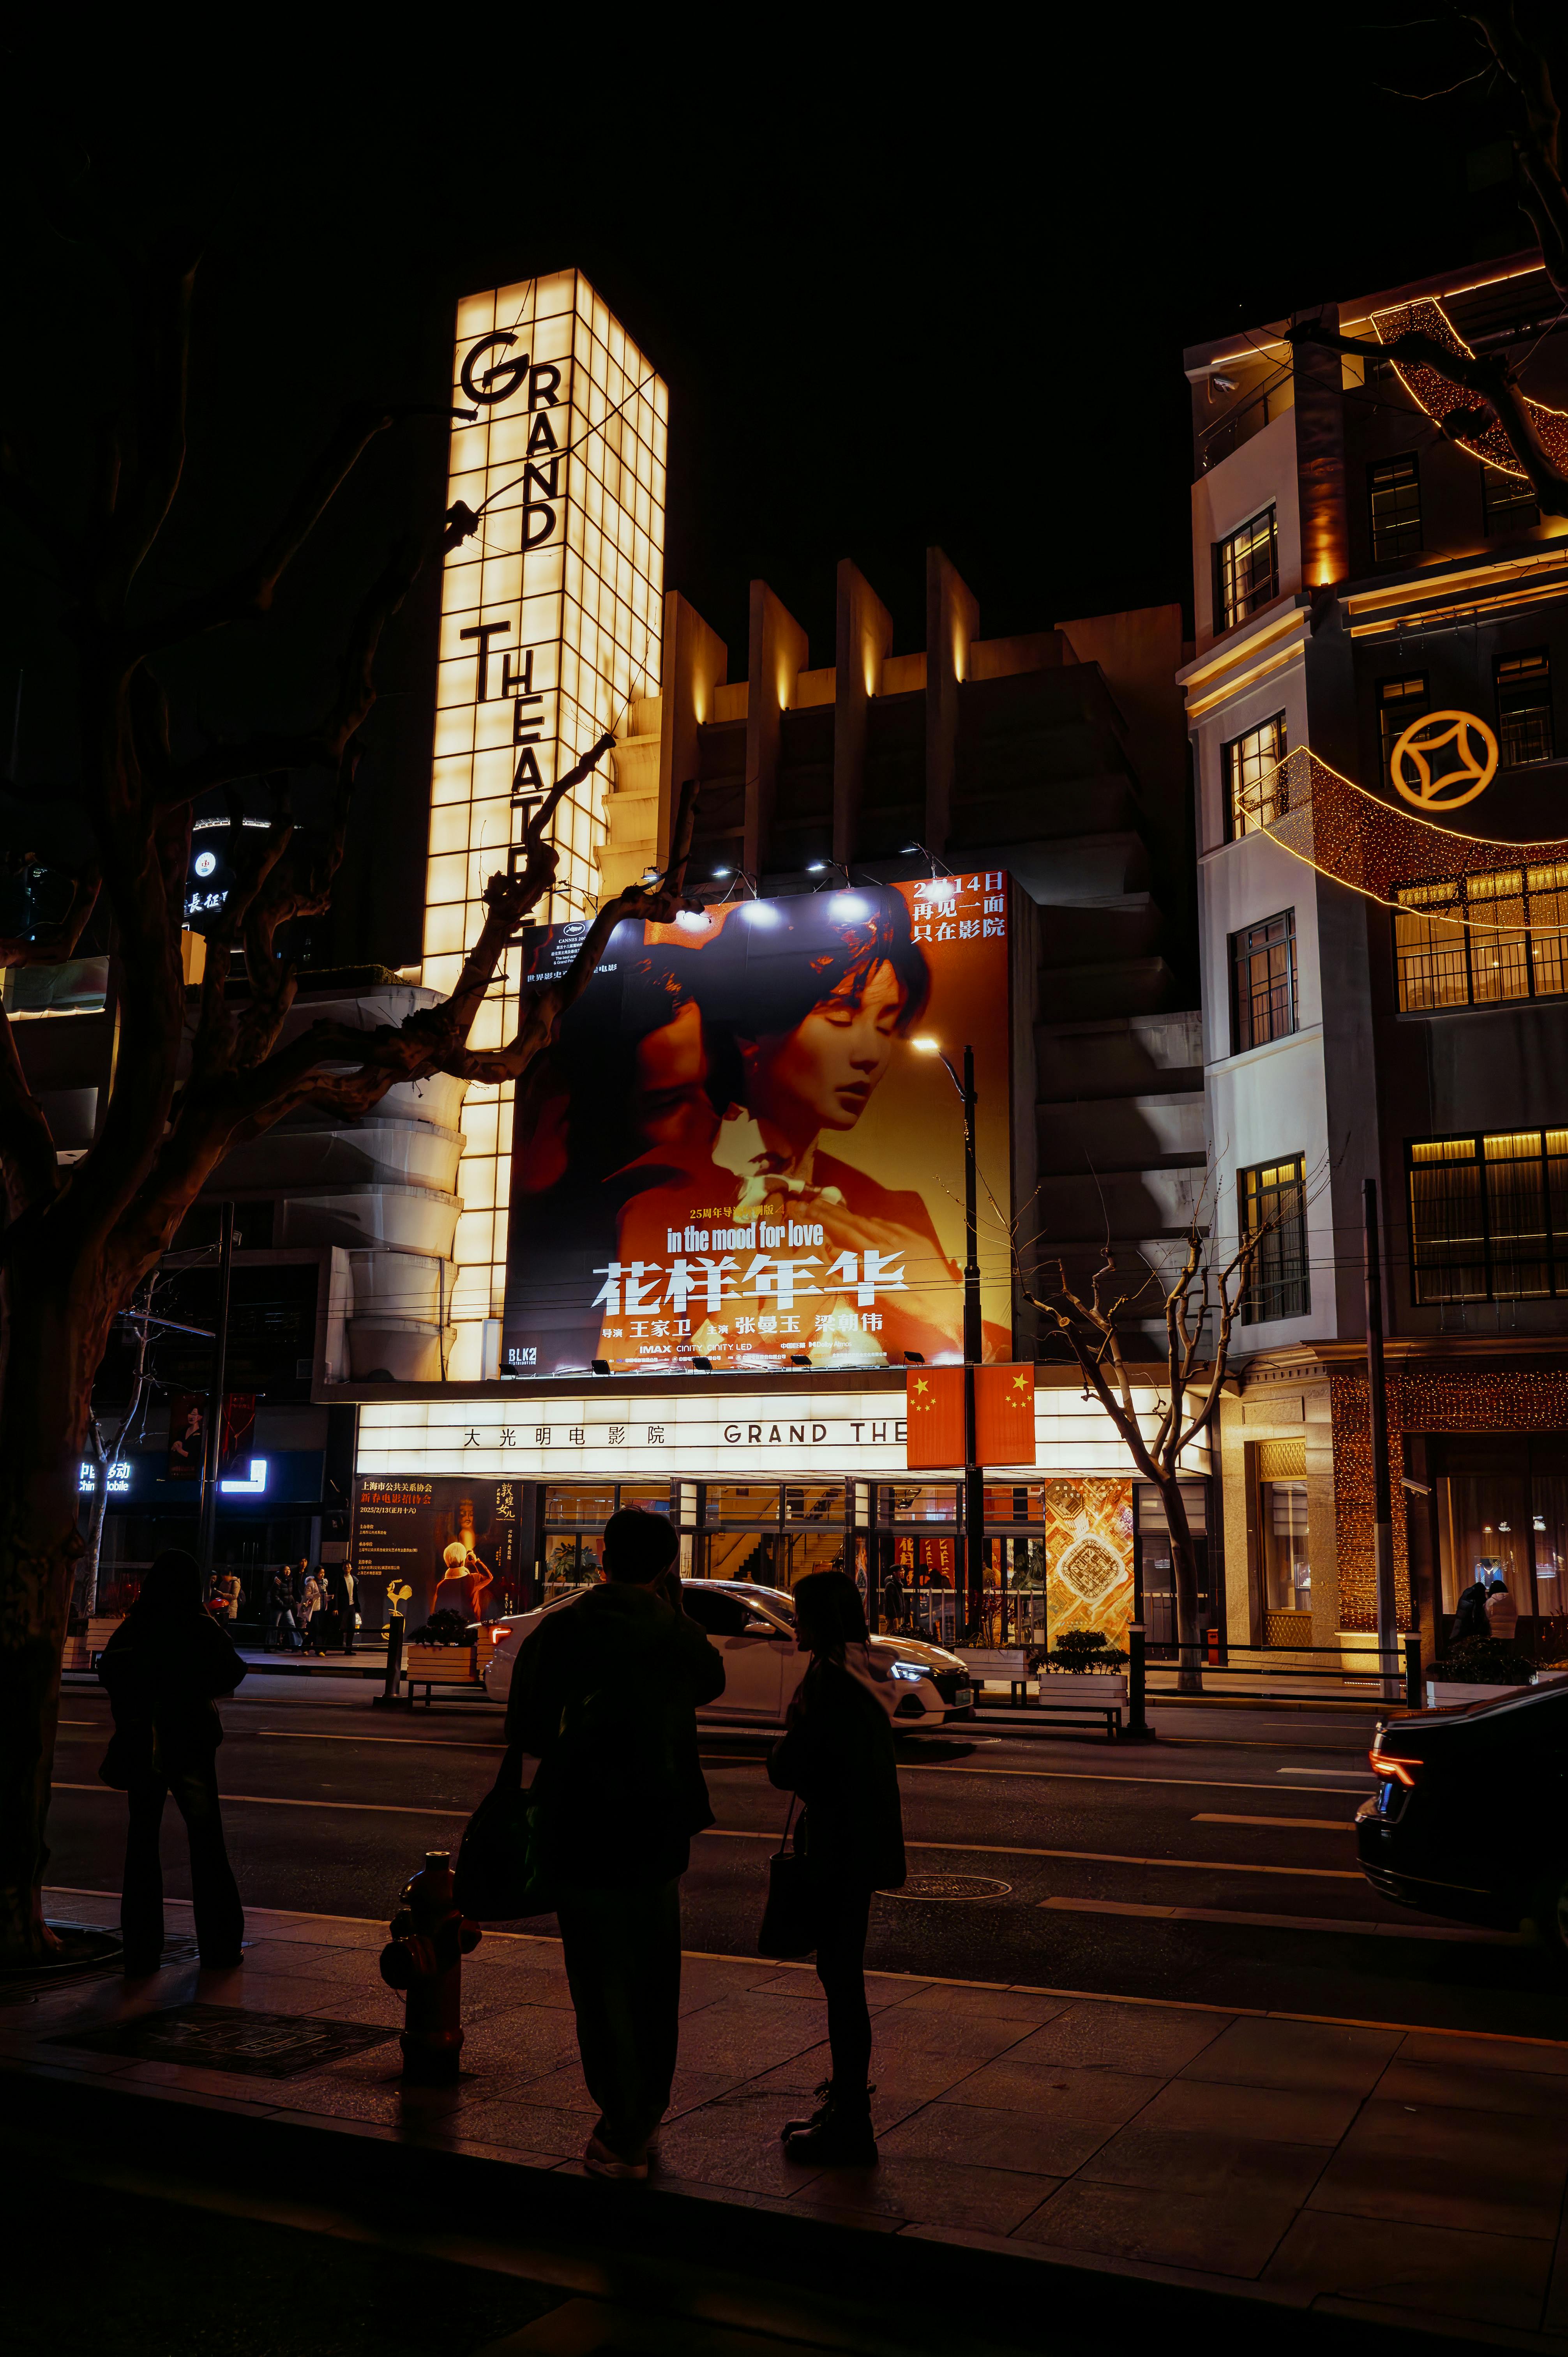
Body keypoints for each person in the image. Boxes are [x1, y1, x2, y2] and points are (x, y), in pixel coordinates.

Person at [505, 1507, 726, 2181]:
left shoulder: (565, 1627)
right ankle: (643, 2112)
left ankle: (620, 2118)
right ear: (664, 1565)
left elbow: (529, 1728)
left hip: (581, 1823)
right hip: (657, 1823)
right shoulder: (674, 1630)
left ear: (603, 1556)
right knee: (653, 1975)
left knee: (597, 1979)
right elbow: (710, 1682)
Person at [767, 1569, 906, 2166]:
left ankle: (852, 2119)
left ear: (821, 1618)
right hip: (864, 1842)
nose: (796, 1622)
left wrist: (783, 1749)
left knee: (841, 1981)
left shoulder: (829, 1679)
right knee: (842, 1978)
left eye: (801, 1611)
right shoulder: (864, 1669)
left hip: (838, 1845)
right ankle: (847, 2105)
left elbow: (796, 1763)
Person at [97, 1547, 247, 1974]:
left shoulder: (137, 1625)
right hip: (190, 1742)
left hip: (143, 1743)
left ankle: (143, 1949)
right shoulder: (196, 1625)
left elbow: (110, 1672)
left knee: (141, 1845)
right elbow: (232, 1671)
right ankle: (219, 1945)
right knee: (207, 1844)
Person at [264, 1565, 297, 1653]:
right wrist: (283, 1604)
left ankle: (297, 1645)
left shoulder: (290, 1580)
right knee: (274, 1626)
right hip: (278, 1607)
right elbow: (275, 1595)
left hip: (287, 1607)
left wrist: (291, 1604)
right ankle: (270, 1647)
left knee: (292, 1626)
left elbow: (290, 1594)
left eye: (289, 1570)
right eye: (286, 1570)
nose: (288, 1571)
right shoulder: (278, 1580)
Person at [1451, 1576, 1492, 1644]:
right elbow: (1477, 1617)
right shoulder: (1477, 1599)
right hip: (1470, 1632)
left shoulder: (1468, 1595)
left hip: (1461, 1631)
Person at [329, 1559, 358, 1654]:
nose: (347, 1567)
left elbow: (356, 1594)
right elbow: (336, 1593)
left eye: (349, 1565)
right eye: (345, 1566)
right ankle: (330, 1646)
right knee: (340, 1627)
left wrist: (357, 1607)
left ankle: (349, 1649)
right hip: (342, 1606)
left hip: (352, 1606)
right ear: (343, 1568)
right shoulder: (340, 1578)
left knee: (352, 1628)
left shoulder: (354, 1579)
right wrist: (335, 1608)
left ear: (352, 1568)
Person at [1486, 1575, 1520, 1642]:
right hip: (1511, 1635)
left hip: (1495, 1636)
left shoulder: (1490, 1602)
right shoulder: (1512, 1600)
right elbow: (1516, 1615)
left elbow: (1487, 1616)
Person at [880, 1561, 906, 1636]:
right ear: (895, 1573)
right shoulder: (890, 1585)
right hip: (893, 1616)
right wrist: (894, 1615)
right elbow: (890, 1602)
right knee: (891, 1632)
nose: (903, 1573)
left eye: (903, 1571)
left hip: (898, 1614)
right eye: (901, 1571)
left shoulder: (899, 1584)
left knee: (895, 1633)